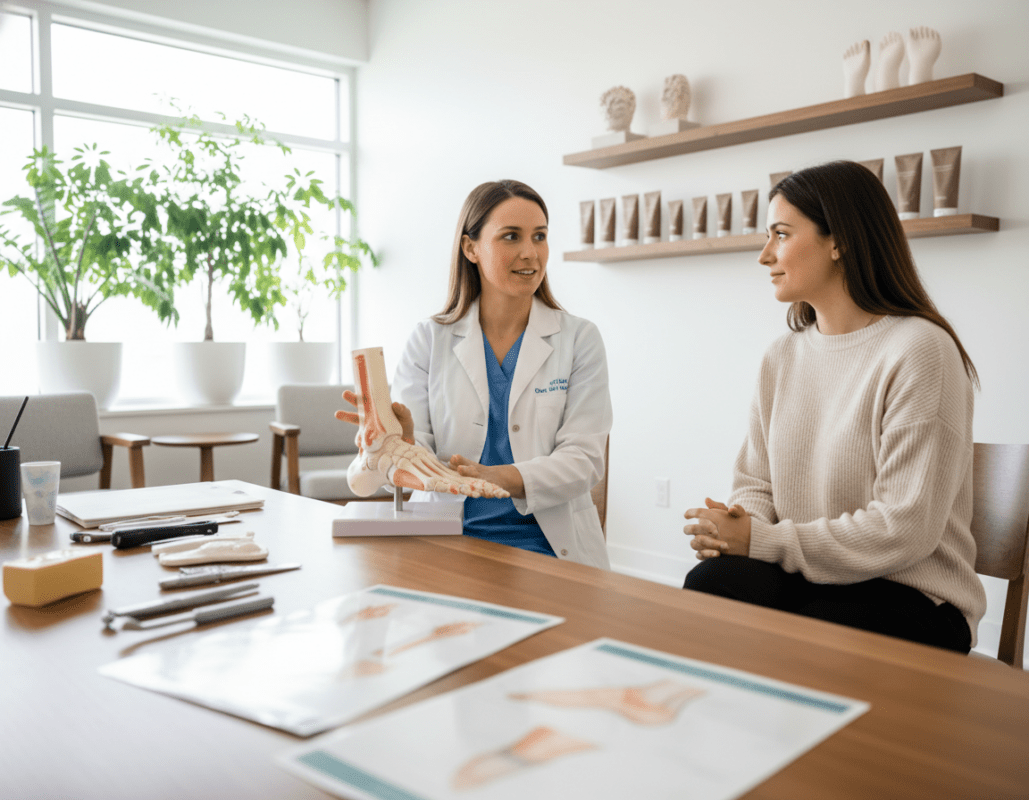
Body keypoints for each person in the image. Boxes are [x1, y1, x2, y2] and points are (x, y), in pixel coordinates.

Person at [682, 160, 986, 654]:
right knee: (712, 582)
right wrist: (737, 527)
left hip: (913, 595)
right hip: (813, 580)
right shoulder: (782, 355)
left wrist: (762, 542)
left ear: (838, 240)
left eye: (781, 234)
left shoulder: (919, 350)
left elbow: (903, 530)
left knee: (809, 636)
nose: (765, 255)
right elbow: (757, 483)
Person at [391, 179, 612, 569]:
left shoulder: (579, 338)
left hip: (549, 547)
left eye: (539, 236)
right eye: (511, 237)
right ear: (470, 248)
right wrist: (399, 443)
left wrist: (500, 477)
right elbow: (409, 460)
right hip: (448, 542)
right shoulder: (430, 338)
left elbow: (584, 459)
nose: (530, 253)